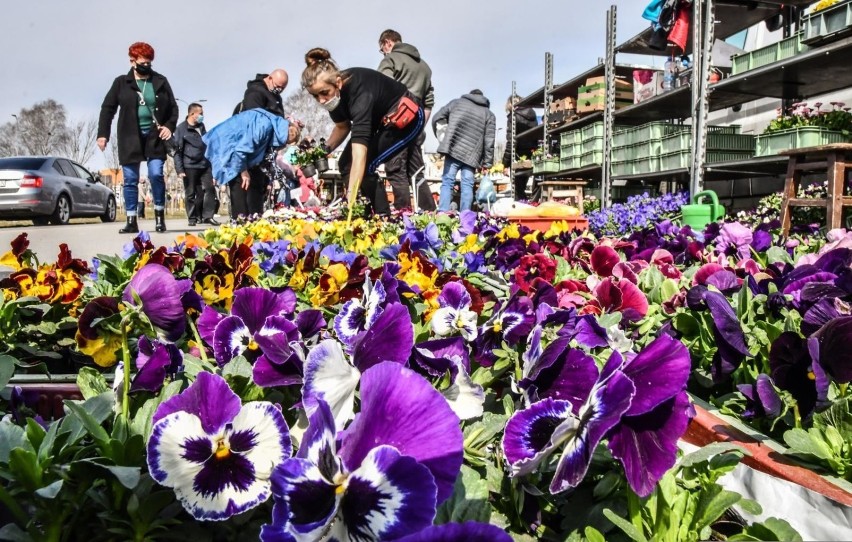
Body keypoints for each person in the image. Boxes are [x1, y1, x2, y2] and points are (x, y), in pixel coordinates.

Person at [301, 48, 425, 216]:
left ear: (338, 83)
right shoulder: (334, 99)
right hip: (380, 119)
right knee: (345, 164)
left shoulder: (360, 95)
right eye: (315, 96)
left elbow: (360, 154)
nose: (321, 100)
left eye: (324, 93)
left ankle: (382, 217)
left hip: (406, 118)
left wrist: (350, 196)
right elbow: (342, 127)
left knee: (365, 166)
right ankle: (364, 215)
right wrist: (323, 150)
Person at [98, 41, 178, 234]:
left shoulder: (160, 81)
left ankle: (159, 216)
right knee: (131, 179)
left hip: (154, 135)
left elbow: (173, 108)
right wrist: (103, 134)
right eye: (143, 62)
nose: (146, 66)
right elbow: (108, 108)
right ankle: (131, 219)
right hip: (130, 135)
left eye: (149, 63)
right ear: (132, 61)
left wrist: (168, 126)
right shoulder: (121, 83)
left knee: (156, 173)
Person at [377, 29, 436, 212]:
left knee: (395, 168)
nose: (383, 53)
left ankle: (403, 214)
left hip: (396, 121)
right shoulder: (425, 67)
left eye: (382, 49)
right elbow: (429, 103)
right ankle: (429, 212)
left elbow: (382, 88)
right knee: (416, 170)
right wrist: (418, 127)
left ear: (387, 43)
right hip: (416, 120)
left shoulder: (391, 60)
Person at [202, 109, 294, 219]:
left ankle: (244, 224)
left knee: (245, 189)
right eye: (285, 143)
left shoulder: (272, 125)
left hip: (234, 149)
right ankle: (240, 226)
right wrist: (244, 171)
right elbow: (241, 150)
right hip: (228, 147)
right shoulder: (265, 126)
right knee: (240, 187)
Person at [432, 89, 496, 212]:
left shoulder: (456, 103)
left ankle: (442, 214)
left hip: (453, 150)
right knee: (467, 185)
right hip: (472, 156)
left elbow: (437, 117)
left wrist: (443, 138)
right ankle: (465, 217)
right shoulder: (489, 114)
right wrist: (487, 163)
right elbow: (489, 141)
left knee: (447, 182)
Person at [173, 103, 219, 226]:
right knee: (190, 193)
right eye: (201, 114)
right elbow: (177, 151)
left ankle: (208, 216)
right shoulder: (181, 129)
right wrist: (179, 169)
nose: (202, 116)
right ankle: (193, 218)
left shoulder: (201, 126)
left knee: (209, 189)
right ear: (192, 114)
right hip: (190, 165)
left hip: (204, 164)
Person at [501, 95, 539, 200]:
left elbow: (511, 142)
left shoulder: (513, 117)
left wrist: (505, 163)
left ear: (510, 104)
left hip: (517, 155)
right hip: (531, 153)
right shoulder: (532, 114)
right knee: (525, 185)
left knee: (517, 189)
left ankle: (521, 210)